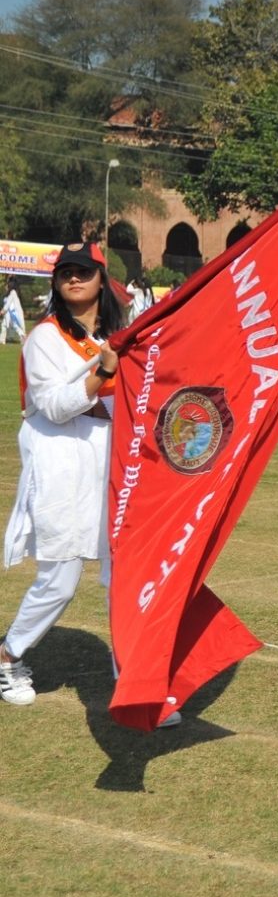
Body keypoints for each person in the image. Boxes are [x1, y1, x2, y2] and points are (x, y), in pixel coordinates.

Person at [0, 243, 181, 726]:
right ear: (56, 283)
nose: (74, 279)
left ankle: (135, 686)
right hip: (59, 466)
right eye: (65, 273)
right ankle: (9, 657)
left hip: (111, 466)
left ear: (102, 278)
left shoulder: (123, 337)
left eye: (83, 271)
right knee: (59, 580)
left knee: (123, 576)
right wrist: (103, 370)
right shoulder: (45, 339)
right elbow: (56, 407)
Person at [1, 281, 27, 345]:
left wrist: (3, 310)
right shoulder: (9, 293)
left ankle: (22, 336)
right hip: (8, 313)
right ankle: (2, 340)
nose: (5, 287)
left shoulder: (13, 292)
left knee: (16, 326)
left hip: (14, 313)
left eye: (7, 285)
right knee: (4, 325)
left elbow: (8, 302)